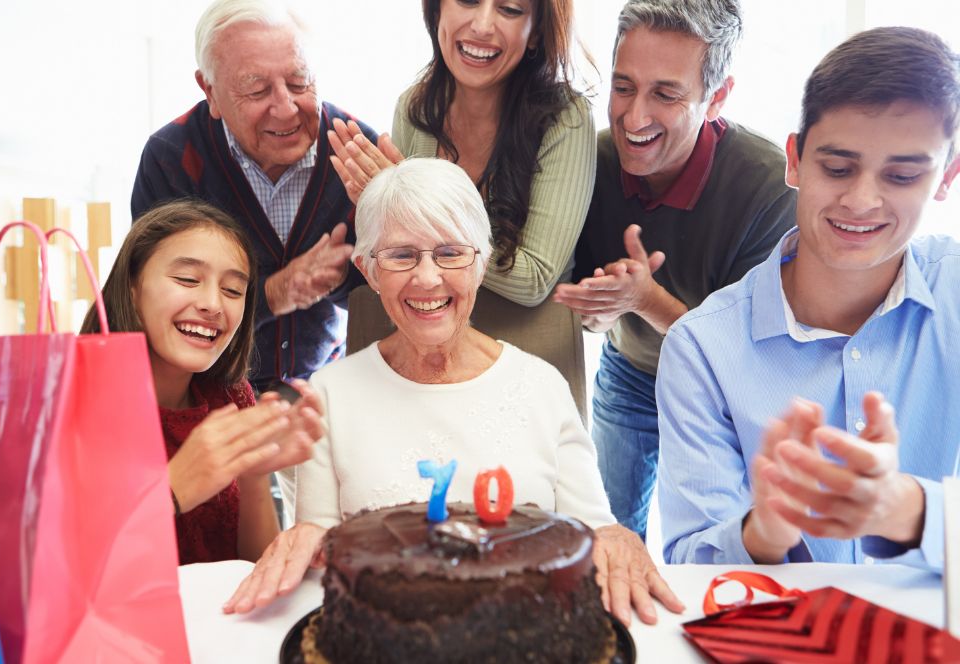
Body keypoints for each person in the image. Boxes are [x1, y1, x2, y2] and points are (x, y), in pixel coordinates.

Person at [222, 158, 684, 626]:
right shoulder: (329, 394)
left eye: (450, 253)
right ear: (369, 269)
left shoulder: (543, 385)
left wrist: (618, 536)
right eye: (401, 255)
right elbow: (317, 544)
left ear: (481, 265)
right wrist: (302, 535)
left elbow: (595, 531)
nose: (427, 278)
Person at [657, 26, 960, 570]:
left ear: (946, 176)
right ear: (794, 160)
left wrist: (910, 511)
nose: (862, 200)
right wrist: (764, 532)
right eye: (837, 168)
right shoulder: (702, 348)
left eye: (902, 175)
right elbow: (689, 564)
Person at [552, 0, 796, 540]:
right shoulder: (587, 163)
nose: (634, 118)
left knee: (720, 545)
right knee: (609, 534)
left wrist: (644, 300)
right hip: (632, 373)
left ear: (717, 97)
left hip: (729, 395)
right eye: (623, 87)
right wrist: (601, 309)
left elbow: (739, 354)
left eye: (665, 94)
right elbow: (586, 313)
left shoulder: (770, 187)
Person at [327, 0, 596, 411]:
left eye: (509, 9)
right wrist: (385, 209)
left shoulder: (566, 118)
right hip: (426, 356)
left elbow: (533, 279)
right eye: (468, 1)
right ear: (437, 10)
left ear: (537, 31)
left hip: (525, 360)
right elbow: (406, 258)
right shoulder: (415, 109)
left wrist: (422, 211)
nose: (483, 25)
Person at [131, 0, 378, 391]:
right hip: (207, 391)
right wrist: (273, 292)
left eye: (300, 82)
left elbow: (391, 296)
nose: (285, 109)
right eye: (256, 89)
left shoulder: (360, 150)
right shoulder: (173, 157)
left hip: (327, 387)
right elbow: (155, 303)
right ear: (209, 90)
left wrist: (387, 235)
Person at [80, 200, 324, 564]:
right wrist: (171, 490)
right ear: (132, 287)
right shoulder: (72, 403)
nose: (212, 304)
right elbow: (60, 575)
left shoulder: (230, 395)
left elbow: (255, 566)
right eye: (187, 280)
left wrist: (255, 472)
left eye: (232, 291)